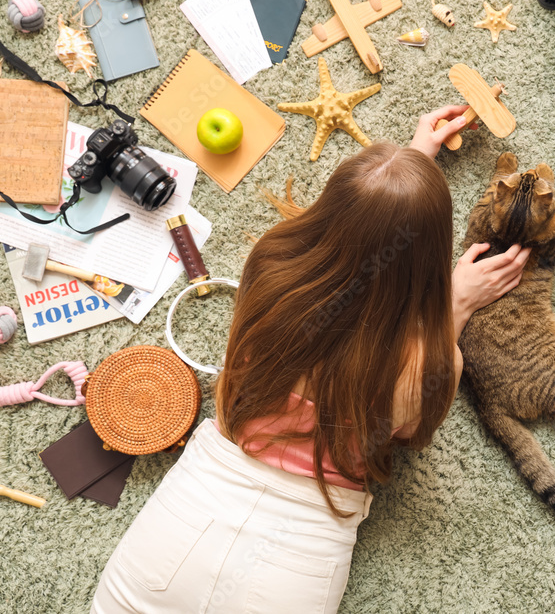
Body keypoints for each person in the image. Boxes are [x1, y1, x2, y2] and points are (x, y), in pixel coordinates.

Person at [91, 106, 531, 613]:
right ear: (429, 258)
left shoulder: (268, 262)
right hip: (293, 563)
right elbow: (407, 434)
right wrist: (451, 309)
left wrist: (402, 173)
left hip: (185, 524)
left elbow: (357, 247)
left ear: (328, 212)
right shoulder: (432, 362)